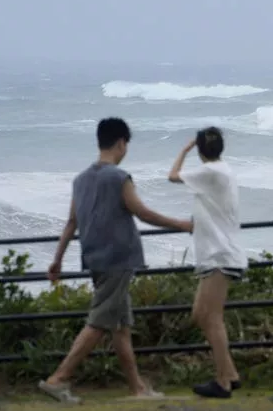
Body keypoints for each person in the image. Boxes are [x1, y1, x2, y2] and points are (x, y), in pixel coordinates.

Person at [38, 117, 193, 404]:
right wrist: (183, 224)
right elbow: (142, 213)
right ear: (121, 143)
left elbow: (71, 223)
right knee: (99, 322)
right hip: (118, 258)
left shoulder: (80, 179)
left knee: (121, 326)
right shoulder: (118, 177)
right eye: (126, 145)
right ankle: (58, 379)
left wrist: (57, 260)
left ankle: (137, 388)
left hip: (94, 258)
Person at [168, 126, 247, 399]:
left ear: (201, 149)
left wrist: (183, 150)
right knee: (201, 315)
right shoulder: (222, 171)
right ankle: (231, 374)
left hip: (220, 254)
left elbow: (172, 176)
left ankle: (223, 382)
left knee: (211, 318)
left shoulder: (211, 172)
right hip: (218, 252)